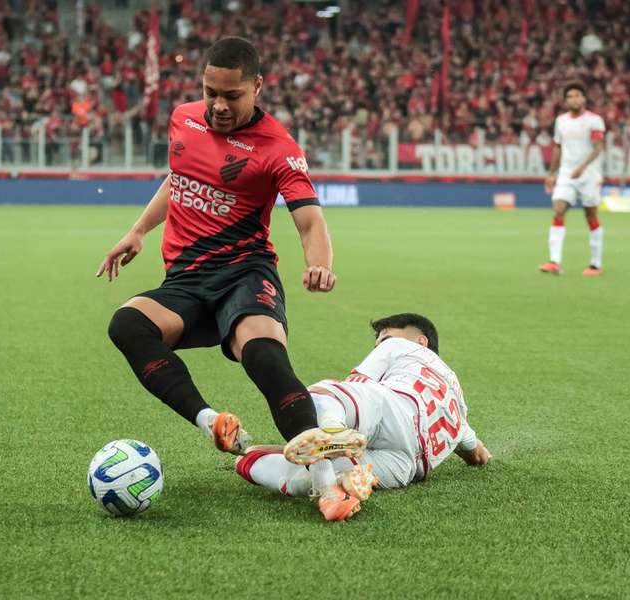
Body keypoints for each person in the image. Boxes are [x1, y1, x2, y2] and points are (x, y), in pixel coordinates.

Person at [97, 37, 365, 521]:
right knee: (127, 325)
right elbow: (178, 178)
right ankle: (212, 422)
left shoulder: (279, 148)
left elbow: (309, 218)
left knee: (262, 354)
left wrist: (319, 261)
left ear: (257, 87)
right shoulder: (183, 116)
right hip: (187, 278)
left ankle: (329, 485)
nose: (218, 105)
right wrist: (137, 230)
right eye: (210, 92)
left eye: (232, 95)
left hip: (245, 272)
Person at [235, 313, 491, 518]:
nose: (379, 343)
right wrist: (479, 454)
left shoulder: (400, 346)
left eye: (383, 337)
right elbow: (477, 455)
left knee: (323, 395)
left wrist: (335, 420)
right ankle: (338, 485)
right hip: (406, 466)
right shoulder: (459, 401)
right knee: (302, 468)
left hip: (395, 409)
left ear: (421, 341)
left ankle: (331, 434)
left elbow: (358, 384)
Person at [541, 83, 606, 276]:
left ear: (584, 98)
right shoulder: (561, 121)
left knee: (591, 216)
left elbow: (597, 148)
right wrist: (552, 173)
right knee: (558, 210)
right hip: (567, 174)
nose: (574, 99)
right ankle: (554, 262)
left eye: (577, 95)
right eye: (570, 96)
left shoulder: (594, 121)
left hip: (589, 175)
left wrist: (582, 167)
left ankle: (595, 264)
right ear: (566, 100)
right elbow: (557, 148)